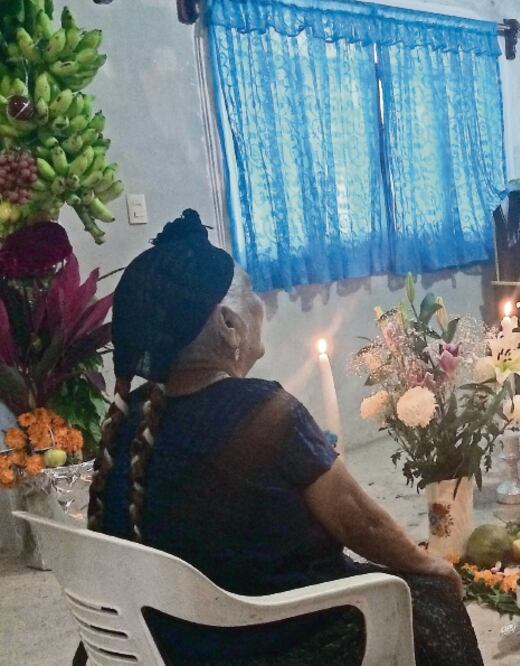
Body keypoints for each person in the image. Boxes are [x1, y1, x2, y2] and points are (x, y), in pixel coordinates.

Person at [80, 210, 482, 665]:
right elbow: (359, 523)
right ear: (228, 324)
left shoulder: (128, 424)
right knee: (428, 593)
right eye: (251, 292)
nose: (260, 306)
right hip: (285, 642)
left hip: (177, 645)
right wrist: (430, 564)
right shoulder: (263, 412)